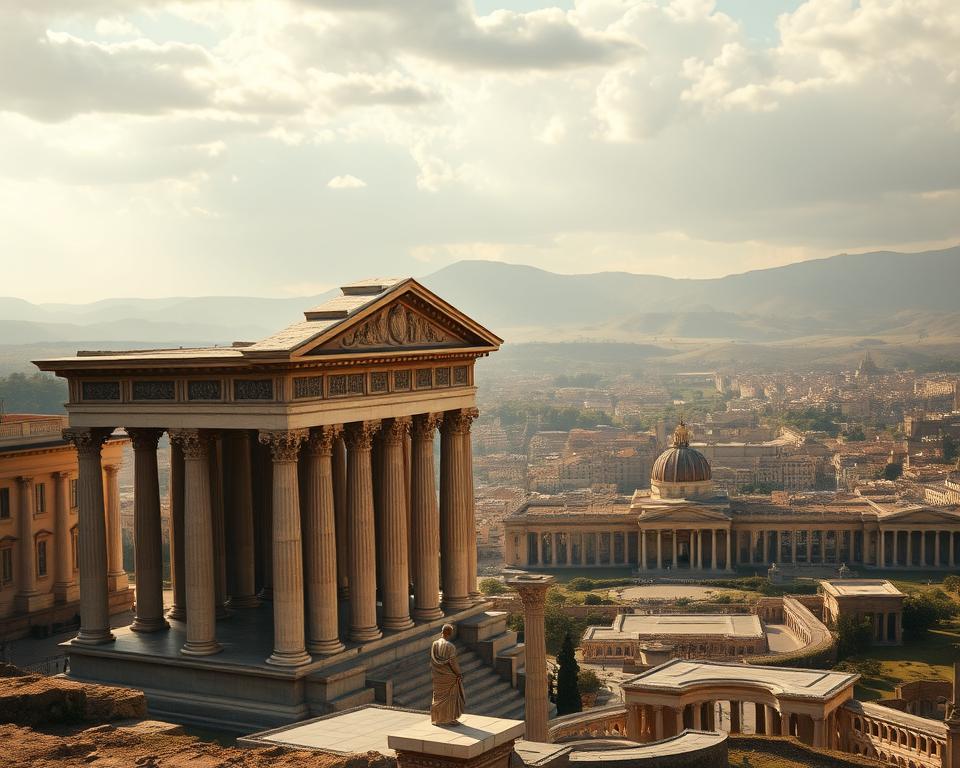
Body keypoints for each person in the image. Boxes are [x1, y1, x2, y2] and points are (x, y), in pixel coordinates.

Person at [430, 624, 465, 725]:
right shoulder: (450, 646)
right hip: (449, 675)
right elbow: (453, 663)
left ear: (442, 632)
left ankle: (436, 719)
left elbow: (433, 660)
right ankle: (449, 719)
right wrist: (459, 673)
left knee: (437, 697)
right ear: (450, 633)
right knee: (451, 697)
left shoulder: (435, 644)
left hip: (437, 675)